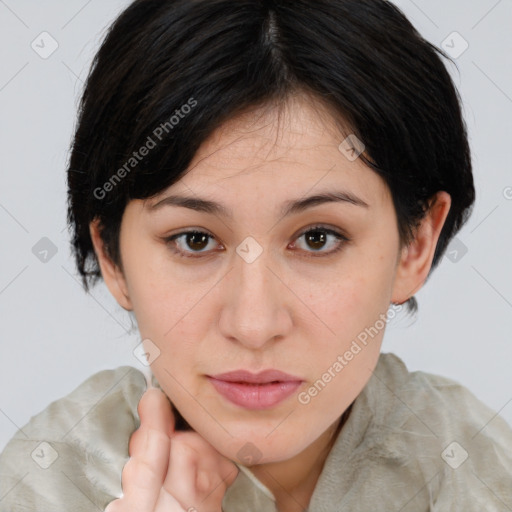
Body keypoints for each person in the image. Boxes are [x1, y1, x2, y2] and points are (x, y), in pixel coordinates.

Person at [1, 0, 511, 510]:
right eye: (194, 240)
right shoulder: (41, 485)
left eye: (317, 238)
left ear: (415, 244)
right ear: (111, 256)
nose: (253, 324)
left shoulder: (484, 473)